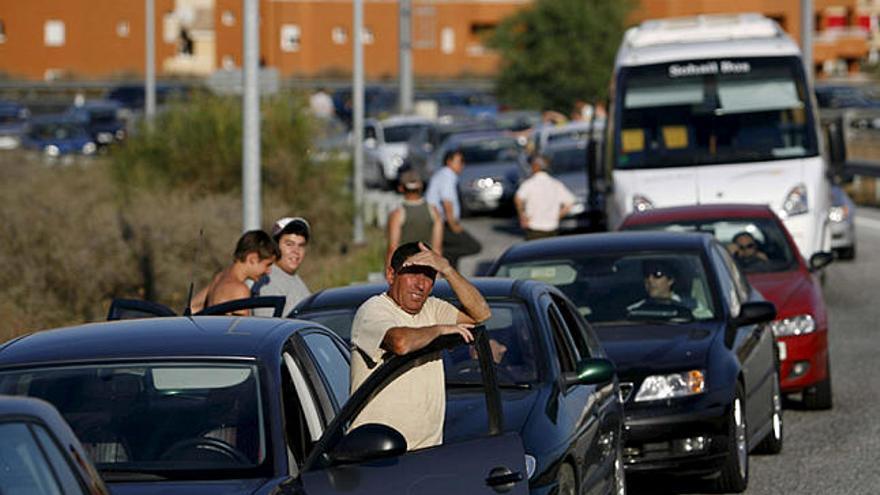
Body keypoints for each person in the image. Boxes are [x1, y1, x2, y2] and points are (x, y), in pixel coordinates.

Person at [349, 242, 492, 450]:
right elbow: (400, 343)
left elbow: (481, 314)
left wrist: (448, 270)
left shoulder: (432, 308)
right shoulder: (373, 310)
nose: (421, 284)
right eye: (413, 273)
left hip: (427, 452)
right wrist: (439, 330)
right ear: (391, 275)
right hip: (376, 452)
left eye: (429, 276)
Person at [190, 230, 279, 315]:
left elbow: (192, 308)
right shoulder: (240, 290)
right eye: (268, 264)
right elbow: (242, 329)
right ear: (252, 259)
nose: (268, 271)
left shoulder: (219, 278)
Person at [424, 150, 482, 269]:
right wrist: (453, 224)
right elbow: (447, 202)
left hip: (440, 221)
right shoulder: (447, 175)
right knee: (472, 246)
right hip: (441, 222)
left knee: (456, 252)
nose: (462, 165)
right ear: (449, 162)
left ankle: (450, 268)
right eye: (460, 162)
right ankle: (441, 255)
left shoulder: (445, 174)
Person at [252, 217, 312, 317]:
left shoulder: (293, 278)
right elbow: (267, 328)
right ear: (275, 246)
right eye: (289, 244)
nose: (296, 251)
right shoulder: (269, 283)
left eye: (301, 245)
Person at [386, 168, 444, 268]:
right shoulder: (433, 211)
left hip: (405, 267)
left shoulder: (398, 213)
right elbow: (437, 247)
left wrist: (389, 270)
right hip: (428, 266)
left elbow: (393, 247)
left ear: (401, 188)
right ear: (421, 186)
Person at [514, 155, 576, 240]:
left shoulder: (529, 184)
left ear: (536, 167)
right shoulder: (556, 184)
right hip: (552, 228)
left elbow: (518, 198)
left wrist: (522, 215)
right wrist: (557, 216)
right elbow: (570, 202)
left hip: (534, 228)